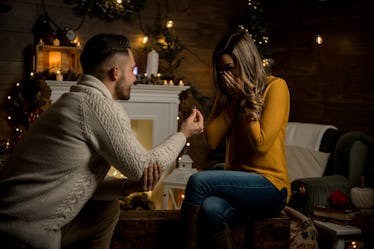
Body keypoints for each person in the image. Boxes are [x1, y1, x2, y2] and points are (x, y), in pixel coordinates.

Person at [0, 34, 204, 249]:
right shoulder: (95, 105)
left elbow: (77, 181)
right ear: (116, 72)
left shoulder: (79, 99)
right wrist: (184, 133)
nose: (135, 78)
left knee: (106, 210)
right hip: (20, 231)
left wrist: (127, 186)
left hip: (34, 223)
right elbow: (144, 168)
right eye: (132, 70)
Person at [180, 30, 290, 249]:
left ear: (246, 62)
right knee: (211, 209)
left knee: (197, 181)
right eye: (220, 70)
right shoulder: (227, 95)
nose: (224, 76)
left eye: (229, 68)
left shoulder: (275, 87)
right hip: (237, 187)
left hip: (270, 187)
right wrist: (233, 104)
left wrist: (247, 101)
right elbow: (211, 140)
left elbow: (261, 145)